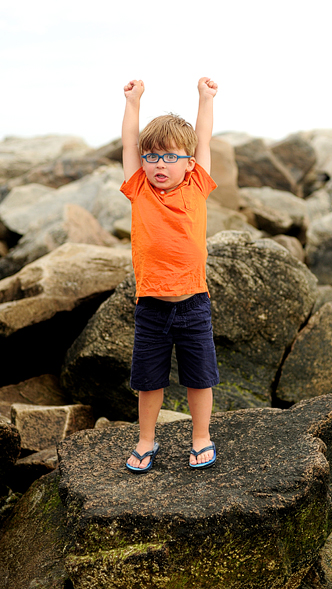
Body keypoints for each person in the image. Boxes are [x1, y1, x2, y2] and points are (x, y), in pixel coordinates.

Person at [121, 77, 221, 473]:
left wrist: (205, 98)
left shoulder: (197, 186)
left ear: (189, 163)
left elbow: (205, 139)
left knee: (200, 378)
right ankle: (147, 439)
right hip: (151, 308)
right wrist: (133, 102)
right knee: (149, 381)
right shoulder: (138, 188)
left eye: (169, 157)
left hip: (193, 304)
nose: (159, 165)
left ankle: (201, 436)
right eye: (152, 157)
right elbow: (129, 142)